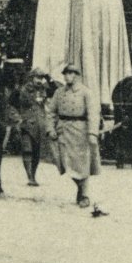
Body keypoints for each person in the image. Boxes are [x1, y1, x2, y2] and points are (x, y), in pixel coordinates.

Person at [48, 62, 101, 208]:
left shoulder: (86, 92)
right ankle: (80, 188)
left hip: (80, 131)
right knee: (64, 163)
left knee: (81, 164)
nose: (67, 77)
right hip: (63, 129)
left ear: (77, 76)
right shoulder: (59, 92)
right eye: (65, 74)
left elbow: (93, 114)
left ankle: (84, 194)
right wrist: (50, 128)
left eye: (71, 73)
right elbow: (51, 111)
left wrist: (92, 133)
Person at [15, 69, 53, 186]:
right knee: (27, 150)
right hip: (27, 123)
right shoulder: (25, 89)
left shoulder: (44, 88)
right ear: (32, 78)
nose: (39, 80)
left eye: (41, 78)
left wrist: (49, 79)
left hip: (39, 124)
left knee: (36, 152)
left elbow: (54, 91)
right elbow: (18, 102)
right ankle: (30, 176)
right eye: (37, 78)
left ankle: (33, 175)